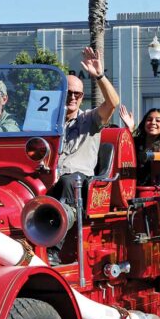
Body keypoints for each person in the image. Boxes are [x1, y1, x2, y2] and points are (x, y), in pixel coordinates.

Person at [47, 46, 121, 266]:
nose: (72, 97)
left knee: (69, 181)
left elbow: (113, 104)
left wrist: (99, 75)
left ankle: (52, 248)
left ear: (81, 97)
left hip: (80, 184)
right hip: (49, 178)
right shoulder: (45, 122)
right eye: (67, 92)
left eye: (77, 94)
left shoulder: (89, 119)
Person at [120, 107, 160, 185]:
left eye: (158, 120)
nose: (153, 122)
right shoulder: (136, 142)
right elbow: (124, 152)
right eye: (149, 120)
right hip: (131, 188)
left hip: (153, 192)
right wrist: (129, 129)